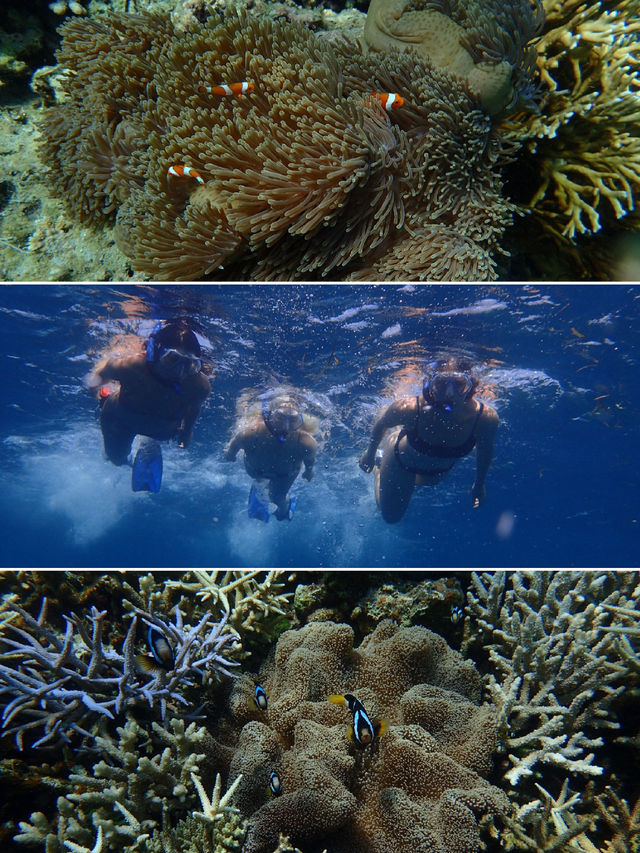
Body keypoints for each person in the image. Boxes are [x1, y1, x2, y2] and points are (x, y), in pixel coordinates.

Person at [359, 360, 498, 523]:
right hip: (401, 461)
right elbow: (382, 424)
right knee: (391, 517)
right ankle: (379, 469)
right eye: (441, 384)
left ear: (471, 387)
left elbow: (485, 449)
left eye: (459, 385)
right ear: (429, 387)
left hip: (434, 475)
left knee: (424, 484)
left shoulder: (485, 419)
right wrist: (370, 454)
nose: (450, 394)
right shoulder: (410, 408)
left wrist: (479, 484)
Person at [86, 320, 210, 492]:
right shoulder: (132, 367)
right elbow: (98, 376)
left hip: (159, 429)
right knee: (115, 459)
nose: (179, 371)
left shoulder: (199, 386)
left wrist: (188, 431)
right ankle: (127, 460)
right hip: (120, 422)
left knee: (152, 438)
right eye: (173, 359)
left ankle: (143, 443)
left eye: (189, 365)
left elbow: (193, 409)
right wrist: (95, 392)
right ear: (153, 352)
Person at [224, 395, 317, 521]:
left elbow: (309, 460)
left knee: (277, 498)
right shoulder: (251, 432)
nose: (285, 426)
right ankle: (263, 489)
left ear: (300, 422)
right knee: (260, 483)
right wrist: (230, 453)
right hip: (258, 472)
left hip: (285, 475)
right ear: (268, 417)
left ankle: (284, 511)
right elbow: (235, 444)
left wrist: (309, 470)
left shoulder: (305, 442)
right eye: (280, 418)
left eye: (292, 420)